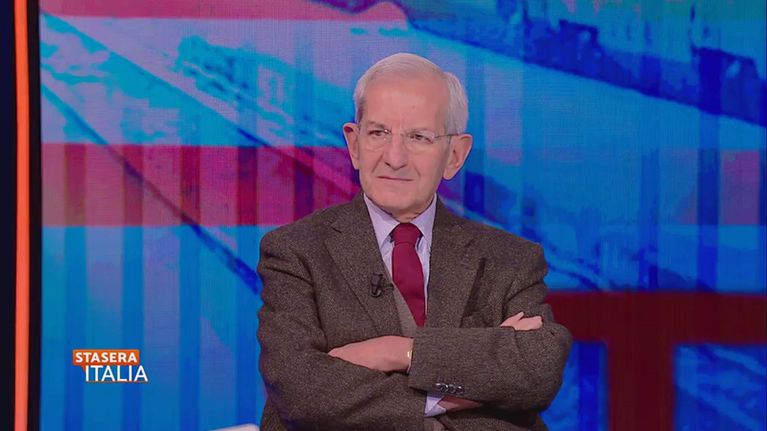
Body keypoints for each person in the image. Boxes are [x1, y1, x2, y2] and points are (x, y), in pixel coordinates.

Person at [257, 52, 572, 431]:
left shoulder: (510, 260)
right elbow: (301, 390)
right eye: (378, 133)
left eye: (419, 137)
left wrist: (399, 352)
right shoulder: (295, 252)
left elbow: (536, 371)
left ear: (455, 155)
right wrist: (465, 384)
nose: (394, 158)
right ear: (354, 145)